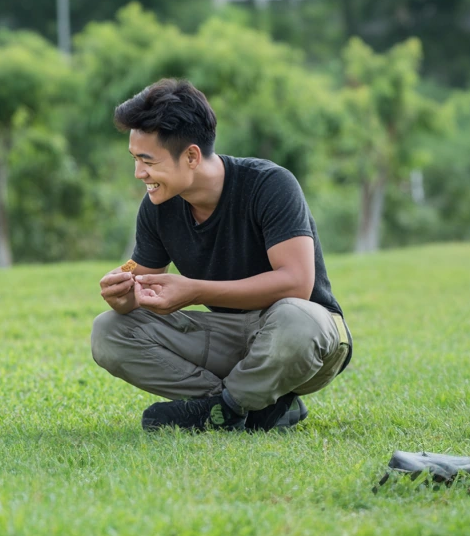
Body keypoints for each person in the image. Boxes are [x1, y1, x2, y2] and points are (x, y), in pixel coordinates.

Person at [91, 78, 353, 432]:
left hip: (308, 339)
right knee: (108, 331)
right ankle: (237, 406)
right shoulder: (158, 205)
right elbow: (140, 285)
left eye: (147, 161)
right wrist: (121, 294)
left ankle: (228, 408)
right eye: (135, 159)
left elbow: (298, 283)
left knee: (296, 319)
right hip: (232, 341)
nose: (139, 173)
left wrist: (196, 290)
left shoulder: (269, 184)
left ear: (192, 156)